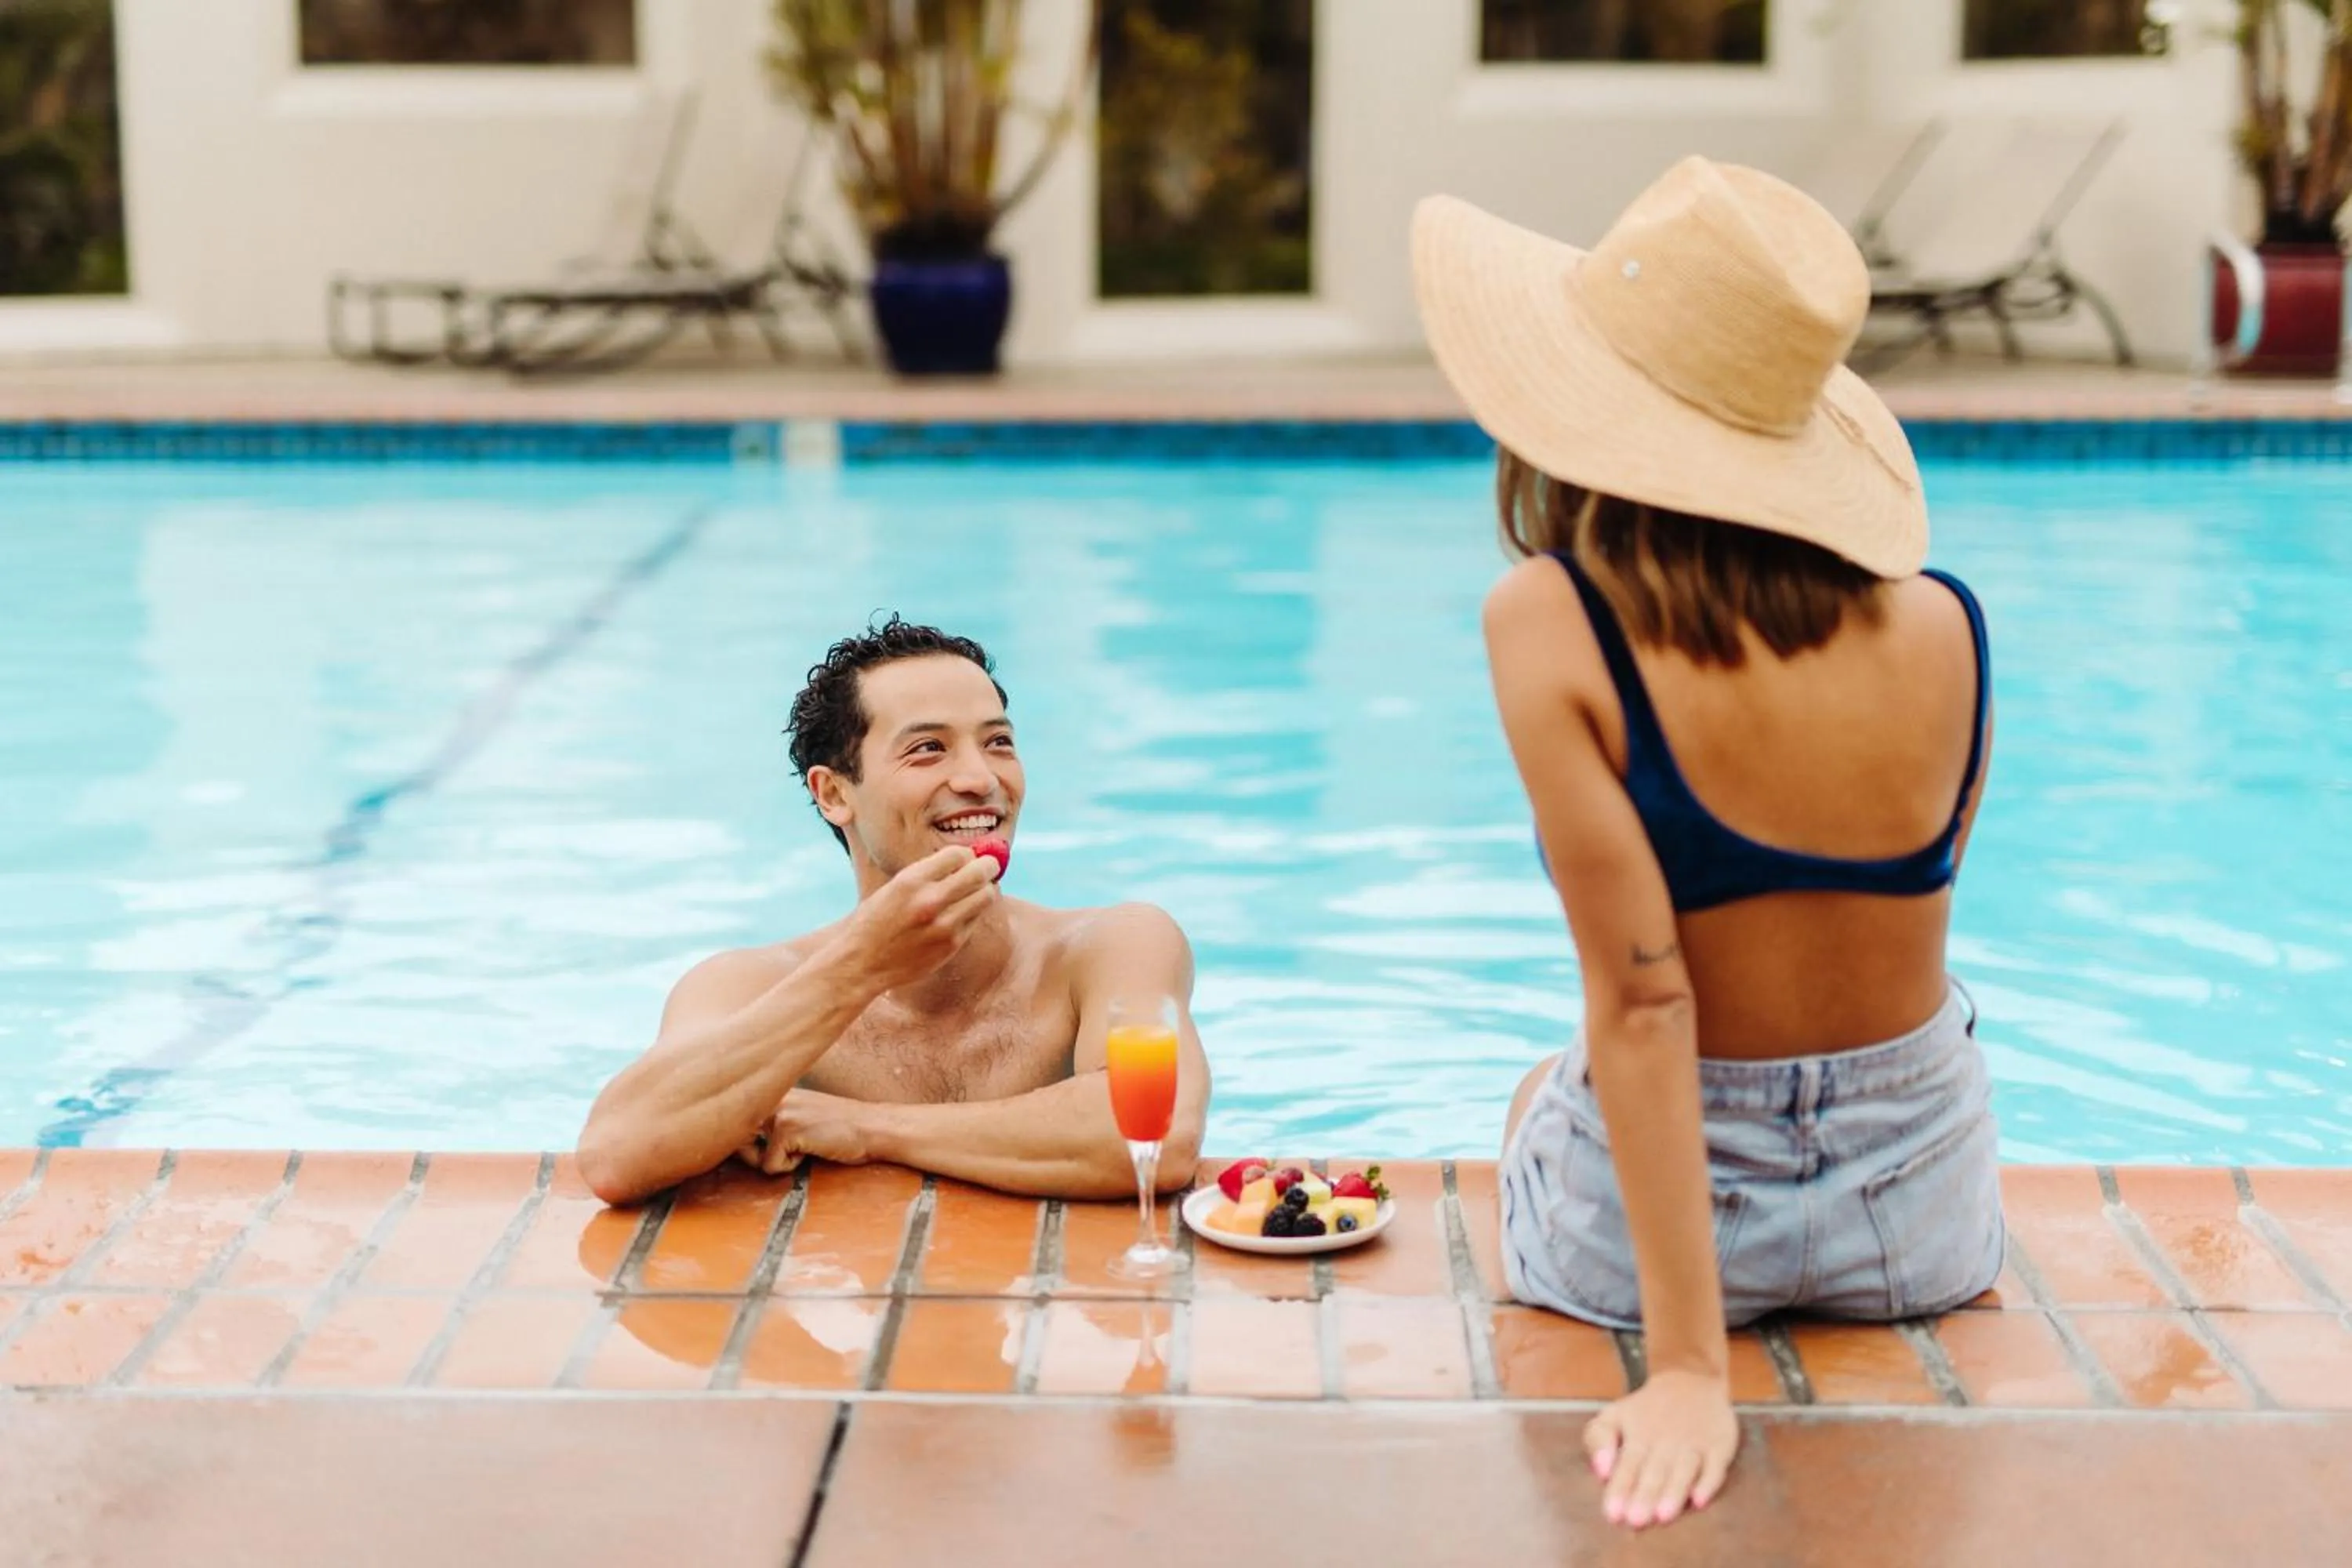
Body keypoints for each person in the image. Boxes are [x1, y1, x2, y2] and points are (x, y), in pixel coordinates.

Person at [1412, 158, 2001, 1530]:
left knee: (1533, 1091)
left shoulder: (1550, 618)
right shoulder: (1949, 621)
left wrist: (1687, 1369)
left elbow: (1647, 1004)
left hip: (1651, 1250)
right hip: (1924, 1230)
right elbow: (1892, 933)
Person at [576, 615, 1210, 1208]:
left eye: (998, 743)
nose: (980, 778)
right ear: (833, 794)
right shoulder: (748, 985)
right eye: (928, 749)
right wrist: (858, 969)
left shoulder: (1113, 946)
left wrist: (865, 1127)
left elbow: (1156, 1139)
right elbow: (617, 1154)